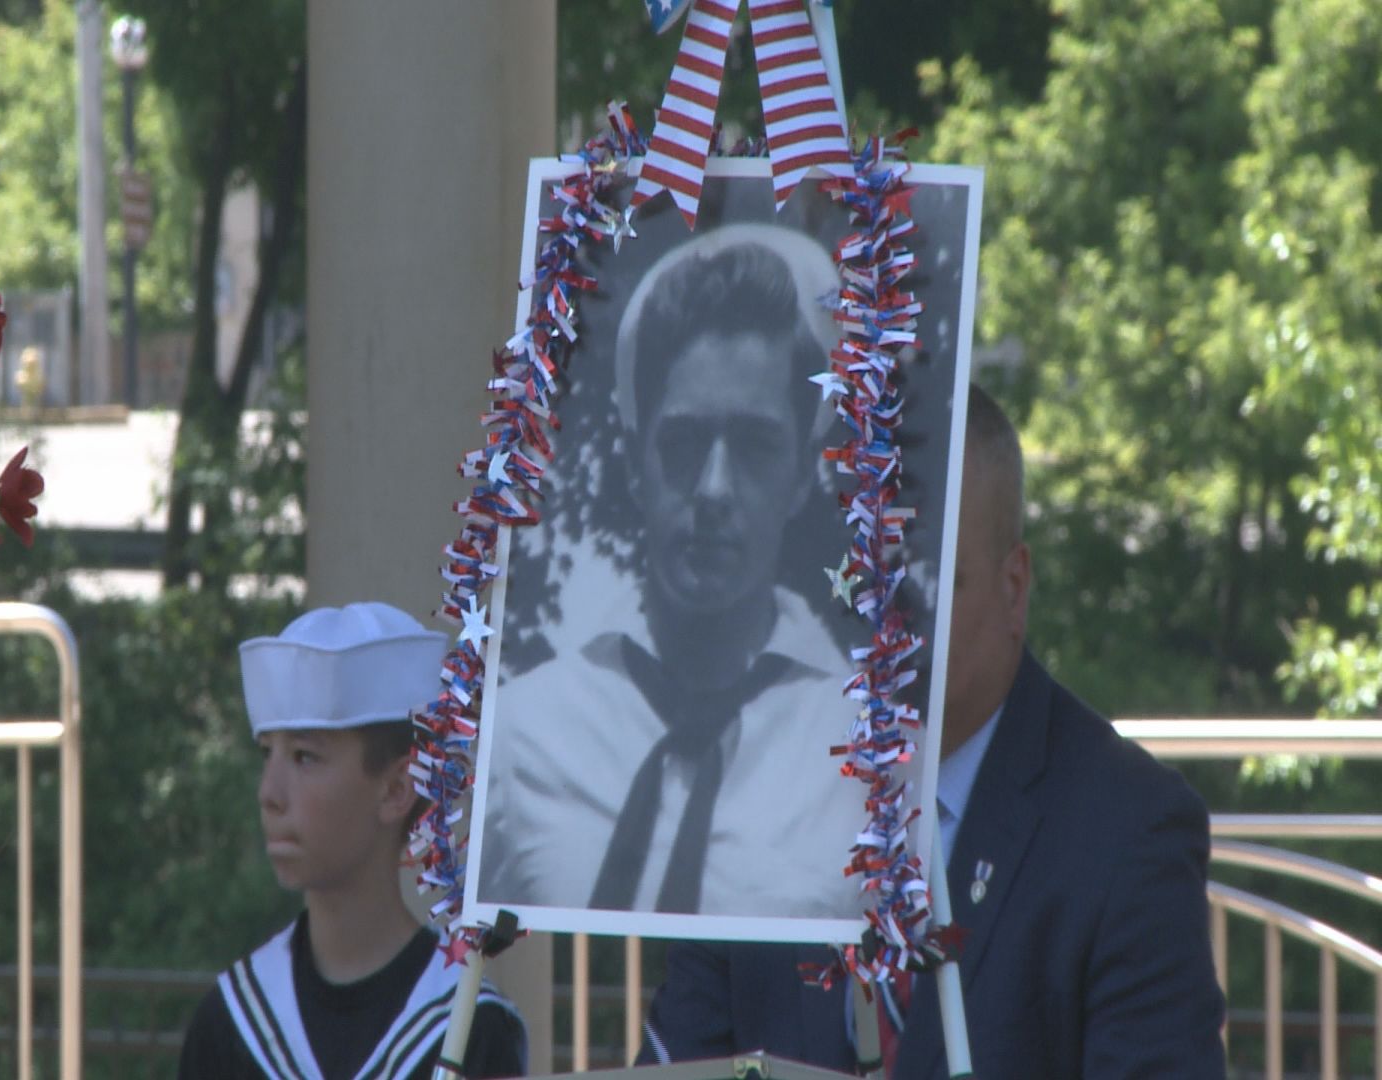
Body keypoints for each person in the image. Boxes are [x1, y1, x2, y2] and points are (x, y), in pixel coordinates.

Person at [637, 385, 1227, 1078]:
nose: (883, 614)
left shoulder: (1127, 830)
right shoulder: (755, 793)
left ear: (1015, 588)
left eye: (925, 576)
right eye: (859, 572)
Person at [477, 224, 865, 919]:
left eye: (754, 446)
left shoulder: (871, 758)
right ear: (634, 462)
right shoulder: (521, 739)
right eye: (684, 442)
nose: (714, 488)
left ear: (805, 475)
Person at [179, 602, 528, 1080]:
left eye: (304, 757)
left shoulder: (469, 1027)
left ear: (396, 790)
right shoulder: (232, 1023)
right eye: (268, 754)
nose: (269, 794)